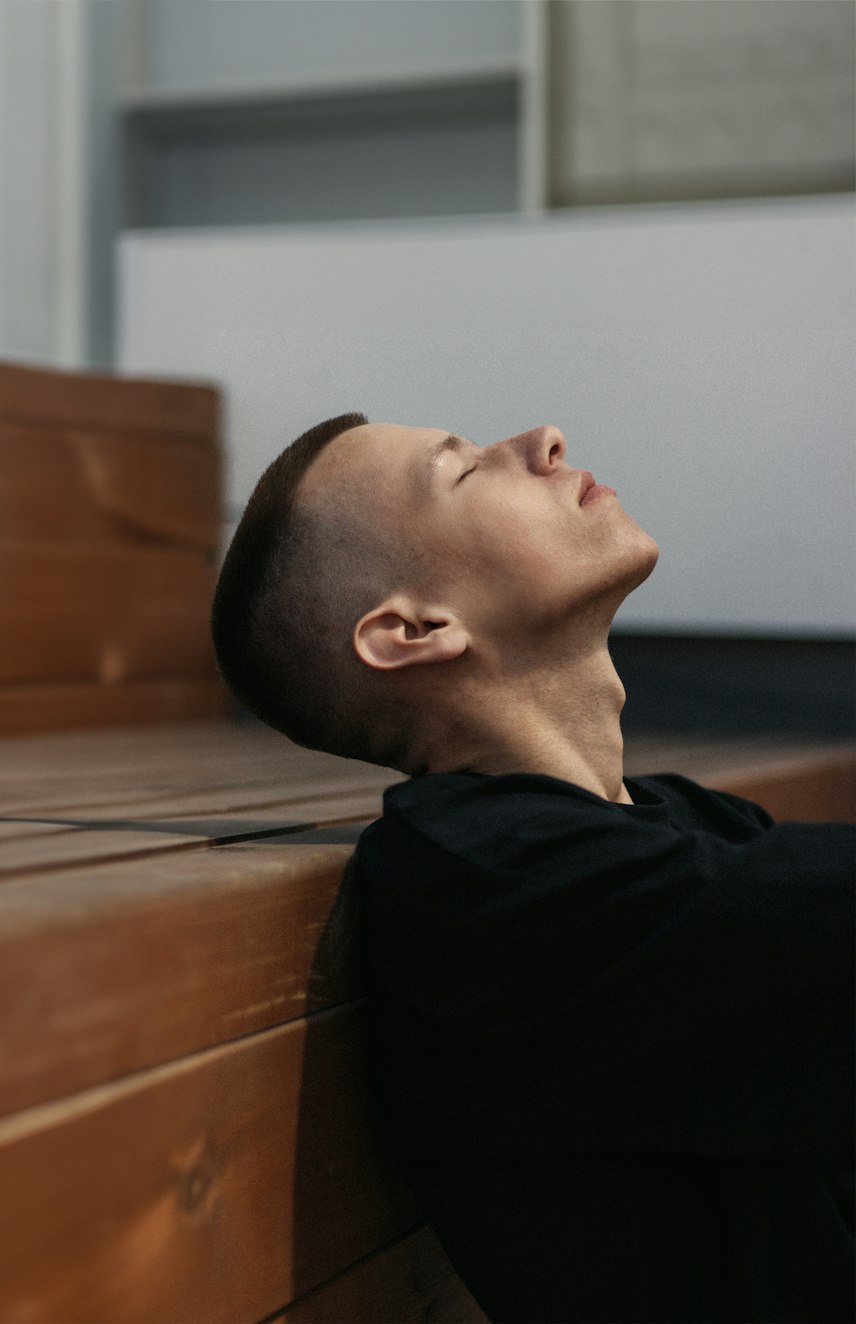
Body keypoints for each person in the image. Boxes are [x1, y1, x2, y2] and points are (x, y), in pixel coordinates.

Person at [211, 413, 854, 1324]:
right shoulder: (484, 888)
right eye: (466, 471)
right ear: (415, 628)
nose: (542, 439)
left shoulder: (685, 820)